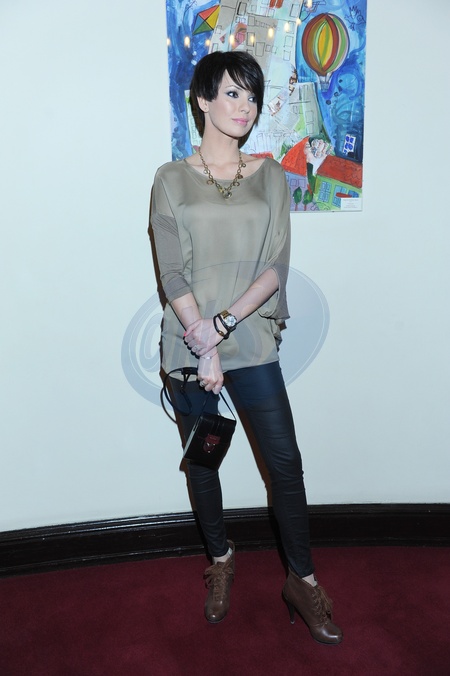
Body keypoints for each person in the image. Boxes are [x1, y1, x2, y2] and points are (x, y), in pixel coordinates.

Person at [149, 50, 342, 645]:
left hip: (249, 337)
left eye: (252, 97)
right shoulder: (170, 178)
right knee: (204, 465)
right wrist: (201, 341)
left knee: (285, 464)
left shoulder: (269, 177)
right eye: (232, 93)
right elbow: (172, 272)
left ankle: (302, 580)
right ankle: (221, 560)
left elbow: (275, 267)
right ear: (203, 100)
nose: (245, 106)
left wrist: (222, 327)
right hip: (189, 345)